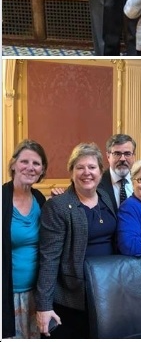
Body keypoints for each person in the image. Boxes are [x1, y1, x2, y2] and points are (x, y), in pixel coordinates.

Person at [35, 143, 116, 339]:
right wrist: (43, 306)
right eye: (80, 167)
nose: (86, 172)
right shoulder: (58, 206)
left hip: (107, 291)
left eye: (92, 167)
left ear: (100, 171)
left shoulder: (105, 196)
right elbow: (49, 258)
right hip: (73, 296)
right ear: (71, 172)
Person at [2, 140, 47, 339]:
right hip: (7, 296)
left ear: (42, 170)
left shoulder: (40, 199)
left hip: (36, 295)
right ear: (13, 164)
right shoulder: (2, 198)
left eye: (36, 163)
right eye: (24, 161)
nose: (30, 167)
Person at [100, 134, 137, 213]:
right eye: (117, 154)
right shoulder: (97, 184)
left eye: (127, 154)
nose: (123, 159)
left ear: (134, 156)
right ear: (108, 156)